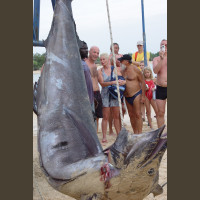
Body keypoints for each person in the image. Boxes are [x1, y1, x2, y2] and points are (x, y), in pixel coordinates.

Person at [98, 53, 125, 143]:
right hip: (105, 94)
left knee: (116, 116)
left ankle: (118, 134)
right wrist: (114, 82)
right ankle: (104, 136)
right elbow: (102, 83)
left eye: (103, 59)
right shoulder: (100, 71)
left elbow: (123, 79)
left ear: (108, 60)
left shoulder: (115, 69)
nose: (102, 61)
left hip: (114, 94)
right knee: (105, 116)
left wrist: (122, 82)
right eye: (101, 60)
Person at [118, 54, 146, 134]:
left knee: (137, 114)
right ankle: (135, 132)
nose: (120, 63)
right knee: (131, 115)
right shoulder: (122, 71)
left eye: (122, 61)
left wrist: (143, 96)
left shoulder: (135, 69)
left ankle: (139, 133)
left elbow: (142, 82)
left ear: (127, 61)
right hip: (126, 96)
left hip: (136, 93)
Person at [85, 46, 103, 132]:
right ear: (89, 52)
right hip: (89, 93)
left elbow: (100, 81)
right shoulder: (84, 64)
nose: (96, 54)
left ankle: (95, 133)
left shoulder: (95, 65)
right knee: (89, 116)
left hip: (97, 93)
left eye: (97, 53)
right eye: (94, 52)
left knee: (97, 116)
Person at [153, 39, 167, 128]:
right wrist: (162, 59)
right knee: (160, 112)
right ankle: (161, 134)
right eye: (163, 45)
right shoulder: (156, 59)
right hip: (160, 87)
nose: (165, 47)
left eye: (166, 45)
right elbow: (155, 70)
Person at [79, 41, 94, 106]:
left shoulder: (83, 63)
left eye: (87, 49)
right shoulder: (80, 65)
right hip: (84, 102)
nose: (86, 51)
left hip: (89, 99)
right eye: (83, 49)